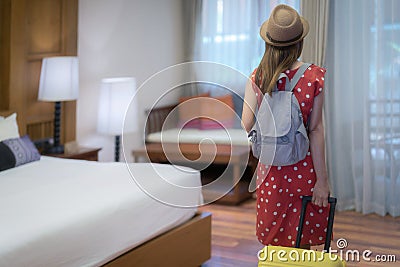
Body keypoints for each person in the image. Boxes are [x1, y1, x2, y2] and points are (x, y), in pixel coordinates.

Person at [241, 4, 330, 248]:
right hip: (302, 168)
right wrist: (322, 181)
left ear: (269, 42)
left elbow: (245, 125)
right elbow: (316, 131)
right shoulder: (314, 76)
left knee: (274, 245)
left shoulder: (257, 77)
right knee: (301, 242)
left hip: (270, 172)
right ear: (299, 42)